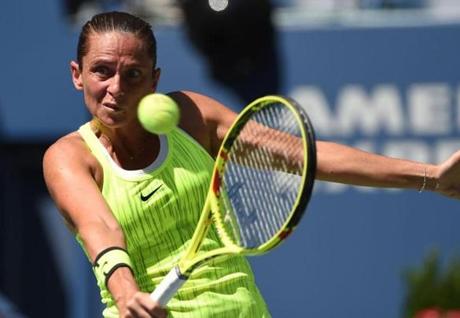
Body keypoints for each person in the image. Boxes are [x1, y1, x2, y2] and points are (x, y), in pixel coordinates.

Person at [42, 11, 460, 318]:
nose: (115, 88)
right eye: (102, 72)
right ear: (77, 74)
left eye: (133, 75)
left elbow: (305, 157)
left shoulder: (191, 116)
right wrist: (127, 294)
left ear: (154, 80)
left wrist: (431, 178)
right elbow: (101, 229)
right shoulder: (68, 157)